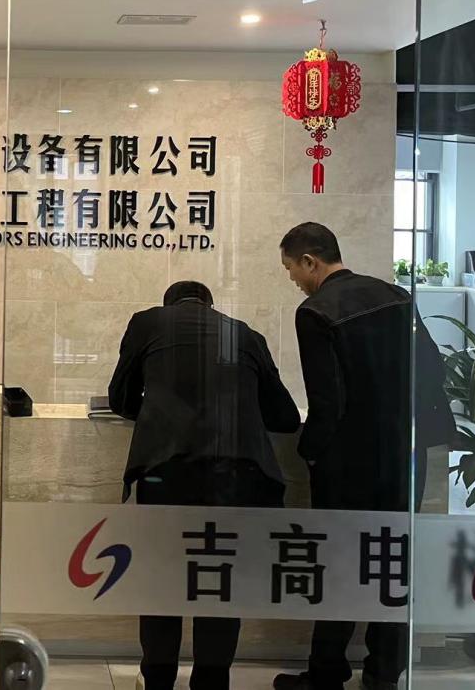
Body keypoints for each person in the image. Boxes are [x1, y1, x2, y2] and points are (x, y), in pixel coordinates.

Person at [273, 223, 456, 690]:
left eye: (291, 268)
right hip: (404, 456)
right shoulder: (396, 296)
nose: (292, 279)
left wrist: (311, 452)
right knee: (391, 562)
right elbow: (432, 369)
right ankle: (383, 673)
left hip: (349, 463)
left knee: (338, 565)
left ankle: (327, 672)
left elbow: (328, 399)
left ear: (310, 261)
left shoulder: (315, 312)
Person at [109, 280, 300, 690]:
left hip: (167, 472)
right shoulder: (243, 333)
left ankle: (158, 678)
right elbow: (285, 416)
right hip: (236, 477)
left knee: (161, 579)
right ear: (211, 305)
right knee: (218, 579)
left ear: (168, 305)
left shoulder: (147, 323)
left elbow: (119, 398)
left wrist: (158, 410)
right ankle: (212, 681)